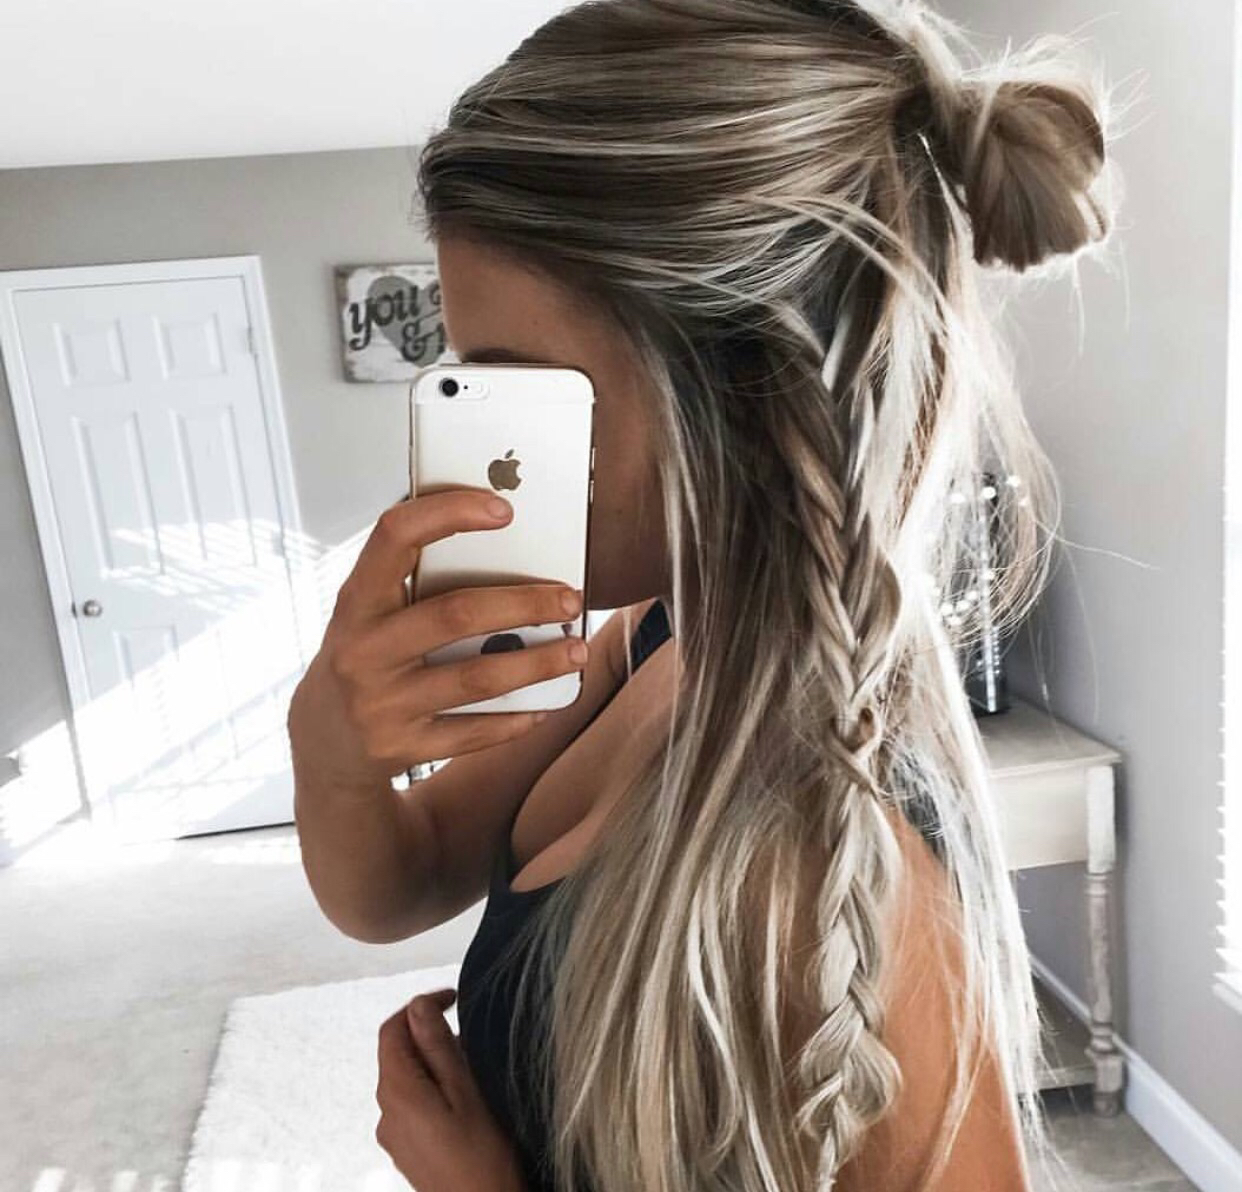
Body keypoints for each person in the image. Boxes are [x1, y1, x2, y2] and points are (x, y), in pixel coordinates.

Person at [287, 1, 1117, 1189]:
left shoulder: (844, 872)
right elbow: (393, 883)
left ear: (744, 389)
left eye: (518, 390)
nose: (491, 460)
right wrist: (330, 739)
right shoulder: (652, 641)